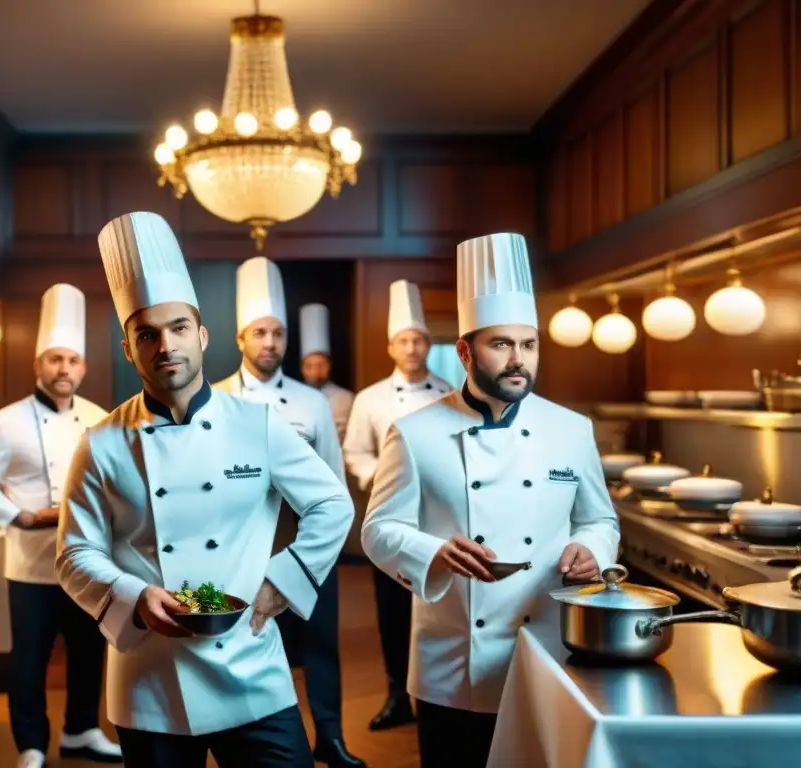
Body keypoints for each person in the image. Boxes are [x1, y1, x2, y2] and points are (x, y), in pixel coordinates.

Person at [55, 212, 354, 768]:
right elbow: (73, 554)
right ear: (128, 348)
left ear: (203, 335)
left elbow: (332, 503)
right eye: (146, 334)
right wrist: (131, 596)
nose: (164, 345)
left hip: (251, 661)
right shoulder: (98, 444)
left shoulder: (258, 425)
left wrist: (283, 581)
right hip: (151, 676)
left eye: (178, 328)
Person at [360, 232, 621, 768]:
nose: (517, 360)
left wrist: (593, 547)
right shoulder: (415, 433)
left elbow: (599, 518)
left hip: (550, 649)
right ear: (464, 350)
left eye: (528, 344)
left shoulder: (571, 430)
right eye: (501, 344)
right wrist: (432, 552)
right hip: (454, 663)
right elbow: (378, 529)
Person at [213, 258, 365, 768]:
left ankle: (331, 736)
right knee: (246, 638)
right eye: (261, 332)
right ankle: (246, 735)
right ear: (240, 339)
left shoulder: (310, 401)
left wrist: (329, 546)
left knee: (321, 643)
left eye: (278, 333)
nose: (271, 343)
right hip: (238, 546)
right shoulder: (214, 400)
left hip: (305, 539)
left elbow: (334, 481)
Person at [0, 284, 122, 768]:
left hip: (87, 560)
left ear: (83, 369)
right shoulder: (4, 421)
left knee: (89, 653)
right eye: (55, 360)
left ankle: (82, 730)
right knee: (29, 660)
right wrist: (21, 517)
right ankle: (30, 744)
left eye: (72, 361)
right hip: (29, 567)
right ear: (38, 365)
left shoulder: (100, 419)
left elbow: (111, 486)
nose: (64, 370)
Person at [341, 279, 452, 731]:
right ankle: (395, 694)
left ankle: (436, 694)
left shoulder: (449, 392)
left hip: (441, 521)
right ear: (391, 346)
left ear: (427, 344)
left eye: (418, 339)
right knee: (391, 610)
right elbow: (355, 453)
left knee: (439, 606)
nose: (411, 347)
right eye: (404, 340)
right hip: (390, 518)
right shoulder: (369, 399)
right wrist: (380, 480)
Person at [299, 303, 354, 443]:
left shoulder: (346, 398)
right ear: (302, 368)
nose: (315, 371)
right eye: (309, 366)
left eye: (320, 365)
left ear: (329, 366)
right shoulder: (291, 395)